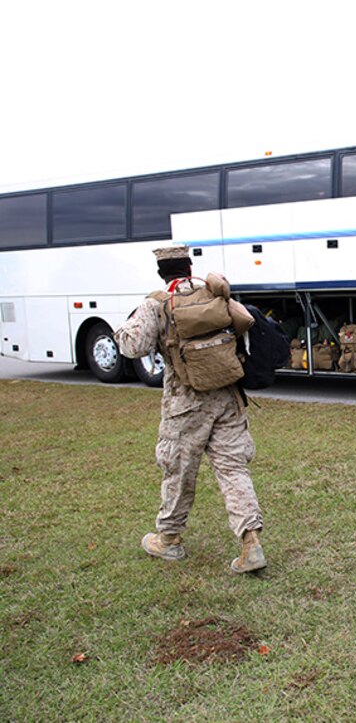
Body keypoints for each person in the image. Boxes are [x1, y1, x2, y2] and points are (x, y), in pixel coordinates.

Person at [115, 245, 267, 573]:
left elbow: (133, 347)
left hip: (186, 401)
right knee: (233, 468)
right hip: (227, 394)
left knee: (179, 470)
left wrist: (121, 329)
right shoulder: (212, 294)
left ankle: (169, 540)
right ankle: (250, 542)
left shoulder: (156, 303)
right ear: (189, 266)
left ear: (161, 273)